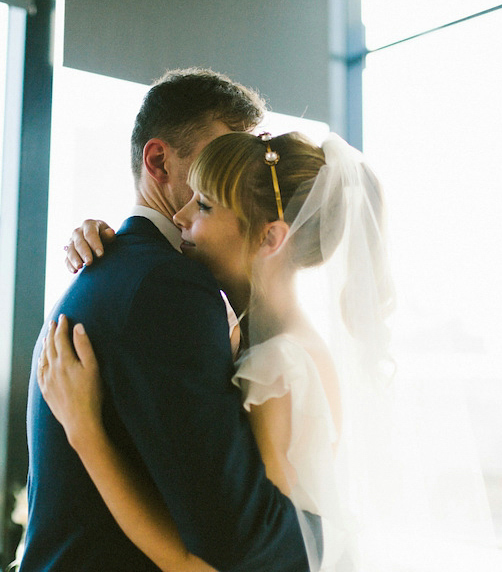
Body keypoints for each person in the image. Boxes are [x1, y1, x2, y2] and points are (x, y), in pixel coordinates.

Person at [40, 131, 407, 570]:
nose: (179, 215)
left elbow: (220, 563)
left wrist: (84, 432)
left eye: (205, 205)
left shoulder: (278, 366)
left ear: (270, 238)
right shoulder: (264, 342)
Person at [22, 69, 312, 572]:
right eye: (222, 160)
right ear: (158, 161)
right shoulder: (165, 287)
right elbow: (236, 538)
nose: (240, 175)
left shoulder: (129, 272)